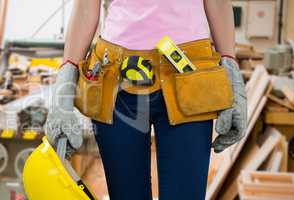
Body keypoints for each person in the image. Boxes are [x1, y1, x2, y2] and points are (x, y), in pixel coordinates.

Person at [44, 0, 247, 199]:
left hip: (189, 78)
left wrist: (231, 73)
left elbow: (219, 3)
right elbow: (86, 6)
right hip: (116, 78)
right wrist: (66, 80)